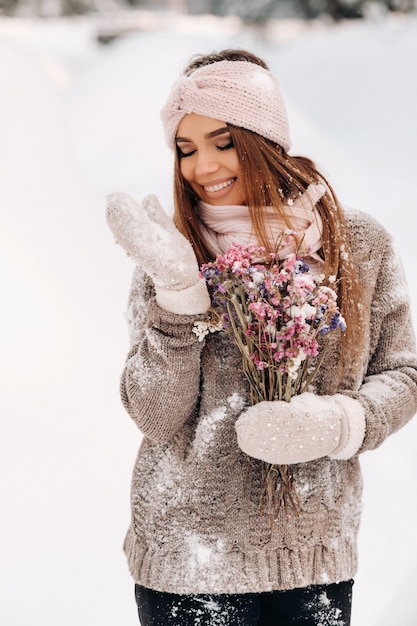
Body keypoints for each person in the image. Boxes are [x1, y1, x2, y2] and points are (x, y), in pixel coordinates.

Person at [106, 49, 417, 626]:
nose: (203, 167)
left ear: (264, 138)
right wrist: (178, 298)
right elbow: (154, 415)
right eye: (186, 148)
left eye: (223, 141)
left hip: (311, 554)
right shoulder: (173, 253)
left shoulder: (358, 246)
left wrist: (338, 422)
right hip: (187, 556)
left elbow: (403, 374)